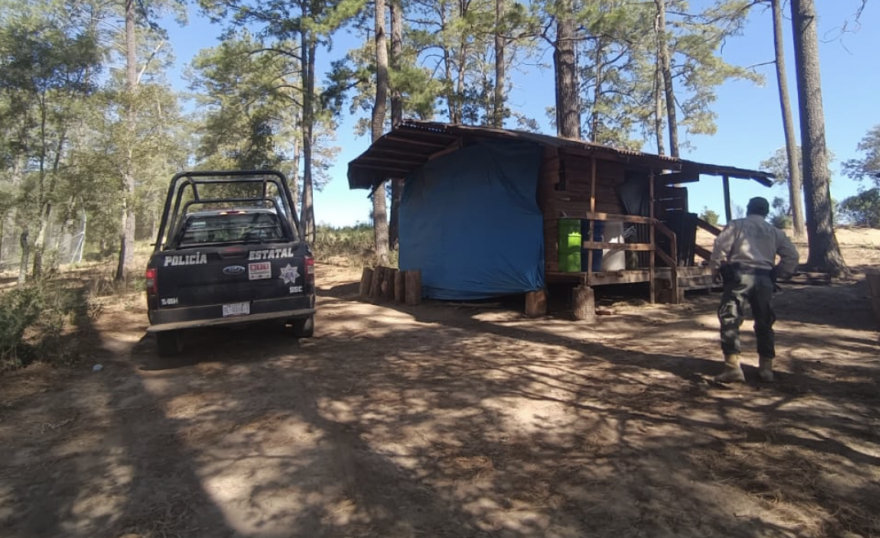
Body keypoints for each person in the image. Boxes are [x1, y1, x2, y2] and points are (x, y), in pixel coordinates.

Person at [710, 196, 799, 383]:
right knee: (764, 321)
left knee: (730, 318)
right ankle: (766, 368)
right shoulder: (775, 232)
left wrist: (715, 270)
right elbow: (792, 256)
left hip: (738, 277)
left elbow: (720, 246)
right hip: (764, 279)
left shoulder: (736, 225)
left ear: (748, 209)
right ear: (766, 212)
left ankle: (732, 367)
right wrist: (778, 273)